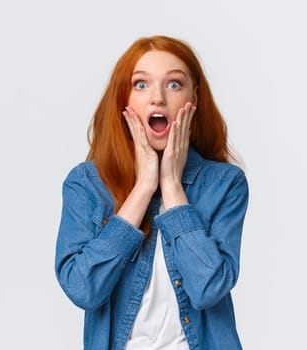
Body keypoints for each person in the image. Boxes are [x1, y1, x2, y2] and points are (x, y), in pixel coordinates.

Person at [54, 35, 250, 350]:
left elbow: (209, 288)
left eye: (174, 84)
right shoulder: (86, 184)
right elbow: (83, 289)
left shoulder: (224, 184)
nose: (157, 98)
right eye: (141, 85)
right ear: (124, 100)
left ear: (194, 99)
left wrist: (172, 187)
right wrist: (144, 187)